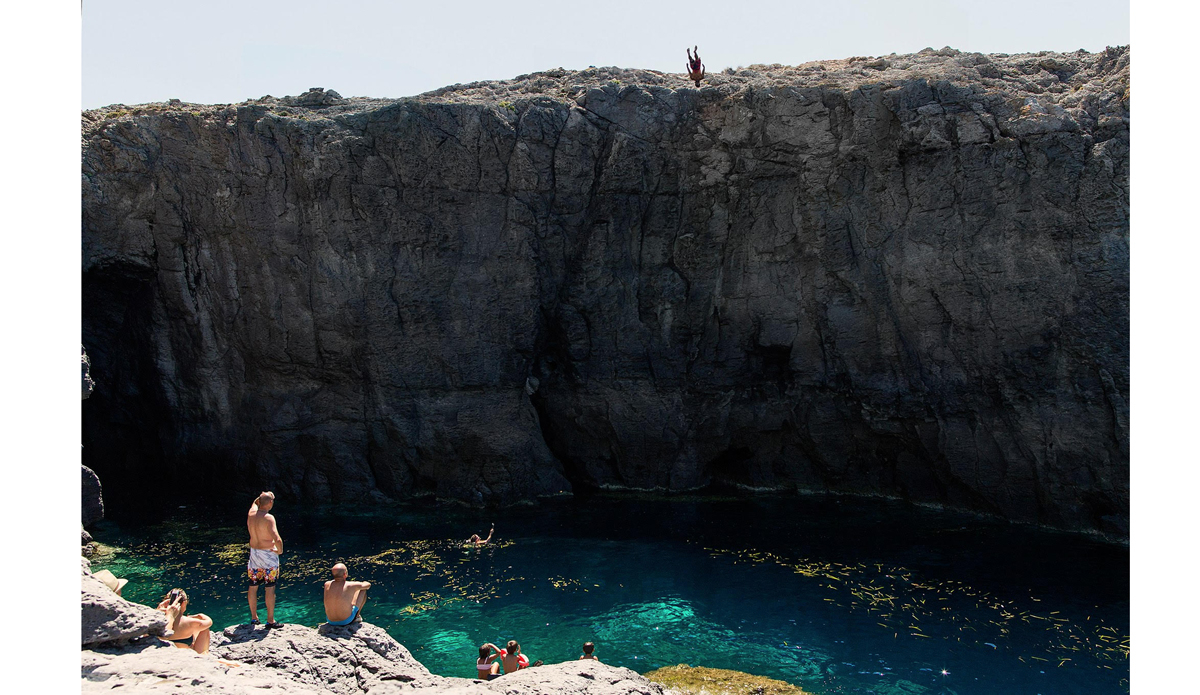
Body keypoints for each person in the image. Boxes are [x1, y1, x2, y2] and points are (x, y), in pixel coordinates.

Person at [247, 491, 284, 627]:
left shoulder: (251, 514)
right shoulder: (269, 518)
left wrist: (261, 497)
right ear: (270, 503)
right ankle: (270, 620)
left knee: (253, 585)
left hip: (254, 554)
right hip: (268, 554)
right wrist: (279, 551)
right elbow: (277, 538)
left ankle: (254, 618)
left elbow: (254, 504)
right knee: (269, 587)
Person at [156, 588, 214, 654]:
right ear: (184, 603)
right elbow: (209, 622)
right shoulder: (189, 622)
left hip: (164, 651)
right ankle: (205, 655)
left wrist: (157, 611)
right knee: (204, 629)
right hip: (186, 655)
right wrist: (200, 615)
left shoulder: (158, 621)